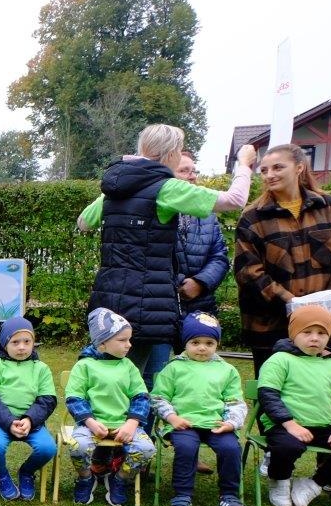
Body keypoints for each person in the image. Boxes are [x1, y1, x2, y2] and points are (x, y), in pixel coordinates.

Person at [80, 125, 256, 391]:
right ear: (172, 154)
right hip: (147, 302)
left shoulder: (113, 188)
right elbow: (235, 199)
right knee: (133, 383)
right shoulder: (167, 188)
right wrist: (244, 164)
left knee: (112, 375)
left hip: (110, 297)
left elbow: (83, 222)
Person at [235, 143, 331, 375]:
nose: (269, 175)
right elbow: (248, 272)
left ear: (299, 167)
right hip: (271, 325)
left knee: (323, 389)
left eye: (278, 167)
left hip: (325, 322)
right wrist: (292, 303)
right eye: (264, 170)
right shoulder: (252, 218)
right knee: (272, 391)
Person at [257, 303, 331, 506]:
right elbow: (268, 395)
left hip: (322, 426)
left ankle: (314, 484)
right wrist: (290, 424)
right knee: (288, 446)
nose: (315, 338)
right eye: (307, 332)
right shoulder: (279, 360)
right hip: (284, 426)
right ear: (293, 334)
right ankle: (279, 481)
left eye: (322, 333)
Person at [151, 313, 248, 506]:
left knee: (230, 448)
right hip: (184, 424)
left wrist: (231, 423)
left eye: (209, 343)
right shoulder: (174, 368)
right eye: (195, 342)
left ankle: (229, 496)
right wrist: (172, 417)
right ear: (185, 343)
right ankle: (182, 496)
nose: (202, 348)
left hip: (216, 424)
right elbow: (158, 398)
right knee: (186, 448)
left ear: (217, 344)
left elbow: (235, 402)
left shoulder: (227, 370)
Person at [64, 308, 156, 506]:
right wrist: (90, 422)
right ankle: (85, 478)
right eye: (122, 340)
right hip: (90, 425)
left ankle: (120, 479)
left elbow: (141, 397)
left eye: (129, 339)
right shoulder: (84, 366)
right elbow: (74, 398)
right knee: (78, 447)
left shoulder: (128, 366)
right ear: (102, 343)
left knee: (146, 449)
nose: (129, 345)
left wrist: (132, 423)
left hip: (124, 426)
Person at [0, 316, 57, 501]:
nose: (22, 347)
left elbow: (47, 400)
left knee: (48, 448)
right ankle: (2, 475)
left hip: (31, 423)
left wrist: (29, 419)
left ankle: (26, 472)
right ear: (4, 344)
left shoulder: (41, 368)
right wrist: (9, 422)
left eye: (27, 341)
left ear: (33, 342)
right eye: (15, 342)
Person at [174, 150, 231, 318]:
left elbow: (219, 256)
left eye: (194, 171)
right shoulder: (152, 209)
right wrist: (179, 284)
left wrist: (200, 282)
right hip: (162, 308)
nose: (192, 176)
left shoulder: (206, 214)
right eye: (184, 171)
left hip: (202, 306)